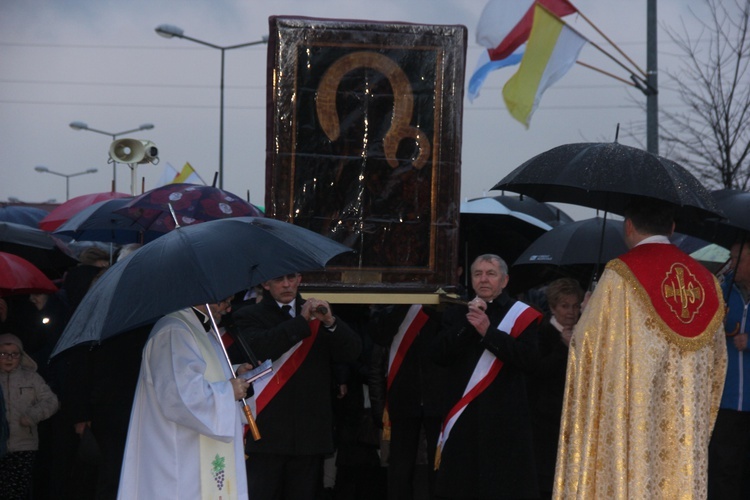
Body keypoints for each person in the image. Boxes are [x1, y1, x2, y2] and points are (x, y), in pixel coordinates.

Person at [553, 197, 728, 499]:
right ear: (672, 227)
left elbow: (588, 347)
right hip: (683, 428)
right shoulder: (707, 282)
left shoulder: (620, 275)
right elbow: (717, 366)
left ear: (629, 226)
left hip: (631, 425)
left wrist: (585, 316)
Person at [233, 272, 362, 500]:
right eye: (278, 279)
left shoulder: (319, 314)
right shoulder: (248, 315)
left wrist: (331, 323)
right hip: (266, 432)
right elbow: (260, 348)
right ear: (265, 283)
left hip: (309, 433)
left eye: (291, 278)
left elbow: (352, 352)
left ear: (299, 279)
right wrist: (301, 322)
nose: (286, 285)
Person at [432, 254, 542, 499]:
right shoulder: (455, 313)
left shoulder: (523, 315)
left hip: (505, 417)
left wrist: (488, 332)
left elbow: (529, 361)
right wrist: (469, 327)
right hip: (464, 416)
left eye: (491, 274)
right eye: (478, 273)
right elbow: (439, 355)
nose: (484, 279)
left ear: (504, 280)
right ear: (470, 279)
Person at [118, 300, 254, 500]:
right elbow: (179, 397)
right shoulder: (174, 332)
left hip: (194, 448)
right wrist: (228, 391)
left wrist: (234, 373)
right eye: (223, 300)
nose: (228, 307)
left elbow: (201, 376)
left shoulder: (199, 329)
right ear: (203, 296)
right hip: (178, 454)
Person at [368, 303, 447, 500]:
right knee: (400, 470)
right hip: (403, 394)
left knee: (440, 467)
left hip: (438, 396)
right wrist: (403, 304)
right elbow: (379, 335)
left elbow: (452, 337)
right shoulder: (390, 302)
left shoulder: (445, 299)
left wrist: (434, 309)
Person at [526, 278, 584, 499]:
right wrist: (563, 347)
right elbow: (538, 370)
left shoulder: (585, 333)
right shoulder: (540, 333)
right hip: (546, 419)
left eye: (575, 305)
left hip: (574, 417)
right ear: (552, 307)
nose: (571, 312)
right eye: (564, 306)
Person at [708, 239, 750, 499]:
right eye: (731, 257)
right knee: (724, 470)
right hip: (725, 400)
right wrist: (714, 325)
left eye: (738, 259)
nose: (731, 264)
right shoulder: (719, 292)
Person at [0, 333, 60, 499]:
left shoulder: (32, 378)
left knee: (17, 491)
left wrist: (33, 415)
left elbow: (51, 401)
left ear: (21, 355)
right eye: (3, 353)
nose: (9, 358)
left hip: (24, 446)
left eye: (14, 353)